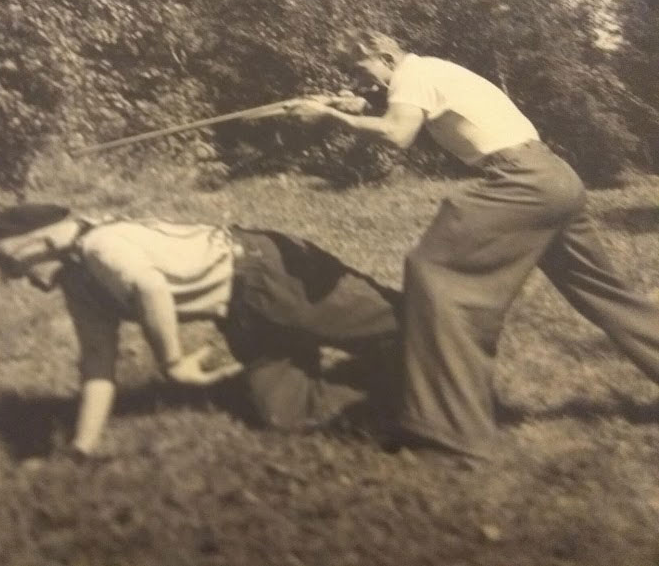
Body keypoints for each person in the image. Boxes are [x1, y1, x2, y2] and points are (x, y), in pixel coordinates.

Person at [281, 29, 659, 459]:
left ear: (384, 54)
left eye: (359, 68)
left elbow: (397, 134)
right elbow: (422, 111)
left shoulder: (410, 74)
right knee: (604, 293)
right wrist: (355, 104)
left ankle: (448, 433)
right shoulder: (431, 70)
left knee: (434, 273)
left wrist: (331, 117)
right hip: (556, 177)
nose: (358, 78)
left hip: (521, 182)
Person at [0, 204, 402, 459]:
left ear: (39, 243)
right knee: (286, 417)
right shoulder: (80, 284)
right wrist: (82, 447)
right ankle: (393, 393)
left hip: (268, 274)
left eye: (11, 264)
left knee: (401, 326)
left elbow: (151, 288)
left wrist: (174, 363)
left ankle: (453, 351)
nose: (16, 278)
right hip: (240, 311)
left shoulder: (101, 246)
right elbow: (97, 362)